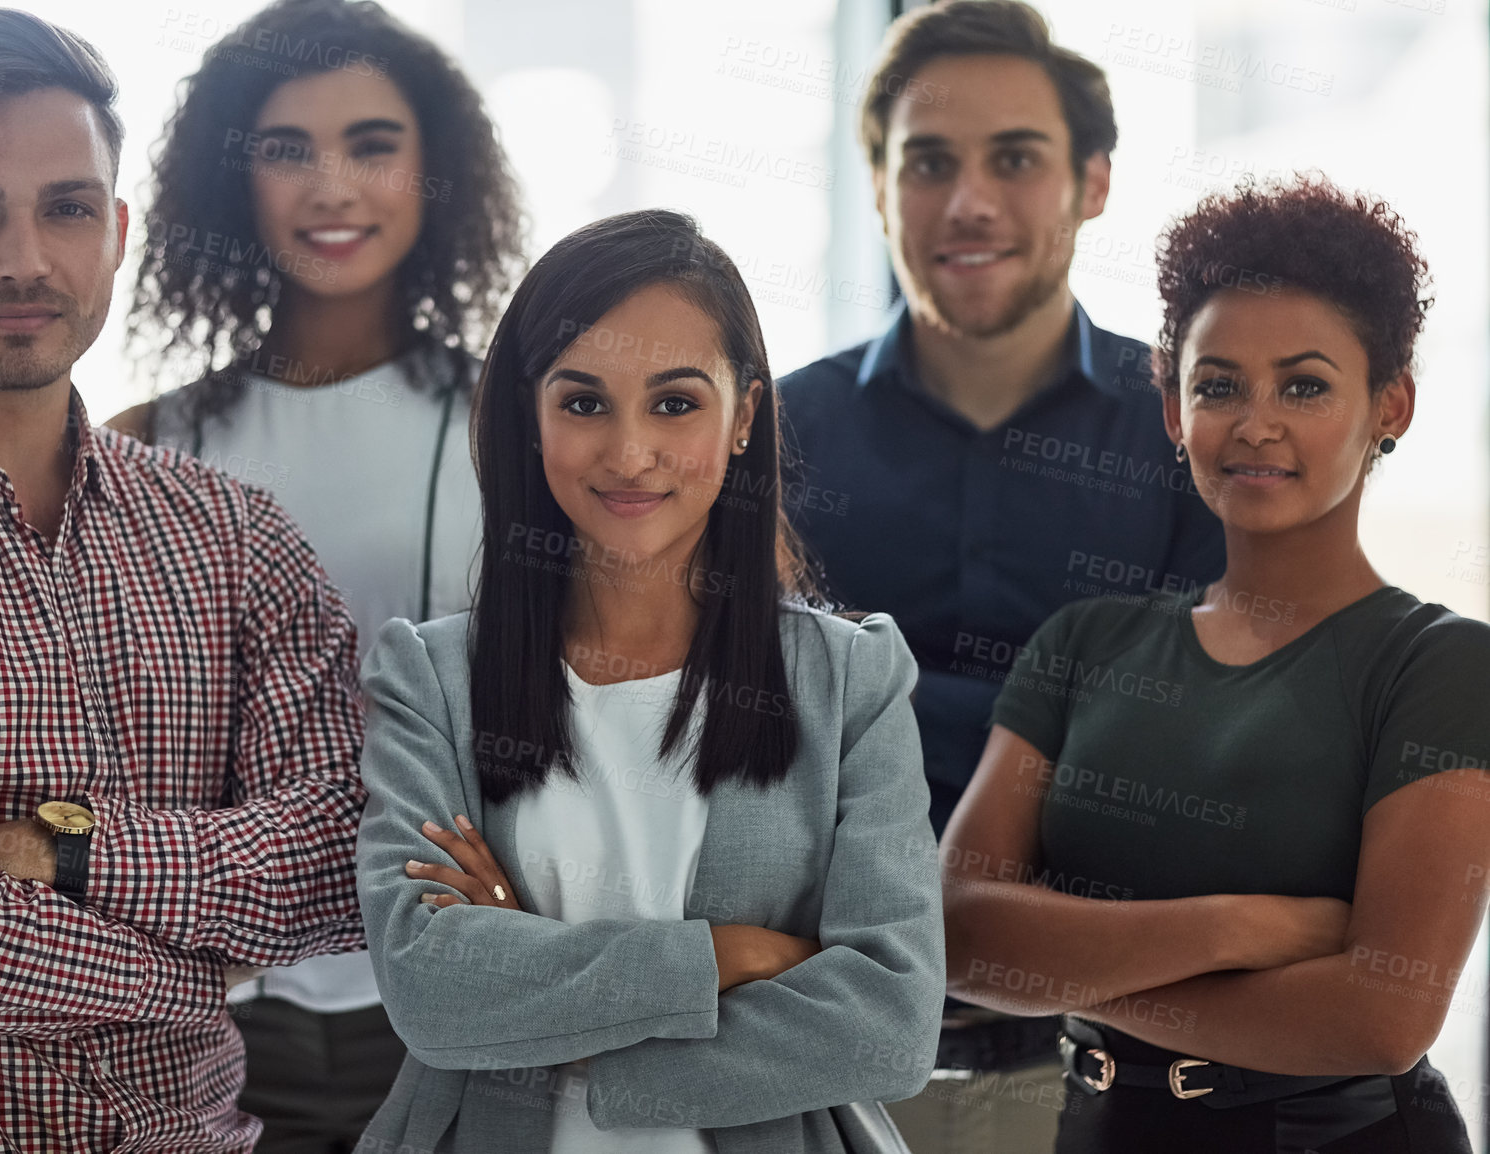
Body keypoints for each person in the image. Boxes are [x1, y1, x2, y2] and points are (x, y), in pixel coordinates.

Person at [0, 9, 370, 1149]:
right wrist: (192, 970)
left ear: (119, 228)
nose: (23, 260)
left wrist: (65, 847)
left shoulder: (234, 536)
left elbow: (343, 859)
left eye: (67, 208)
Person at [352, 208, 946, 1153]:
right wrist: (728, 956)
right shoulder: (432, 678)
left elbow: (891, 1024)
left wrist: (550, 1021)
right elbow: (430, 992)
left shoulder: (851, 680)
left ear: (744, 415)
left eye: (675, 403)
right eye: (583, 402)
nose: (630, 455)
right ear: (528, 415)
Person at [942, 174, 1485, 1152]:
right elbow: (952, 933)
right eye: (1217, 383)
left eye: (1305, 384)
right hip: (1098, 1127)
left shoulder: (1439, 665)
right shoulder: (1084, 640)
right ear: (1169, 406)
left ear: (1390, 403)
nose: (1254, 422)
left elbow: (1382, 1017)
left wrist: (1070, 967)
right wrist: (1236, 926)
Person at [776, 1, 1225, 1145]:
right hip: (804, 1053)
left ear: (1093, 182)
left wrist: (877, 713)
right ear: (876, 185)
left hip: (1108, 1060)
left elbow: (1198, 750)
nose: (968, 202)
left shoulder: (1194, 434)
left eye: (1014, 159)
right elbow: (748, 739)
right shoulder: (771, 434)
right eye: (927, 162)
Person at [108, 3, 524, 1146]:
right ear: (226, 181)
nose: (330, 184)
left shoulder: (519, 419)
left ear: (434, 170)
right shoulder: (151, 442)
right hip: (233, 1002)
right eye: (284, 148)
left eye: (372, 144)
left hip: (459, 976)